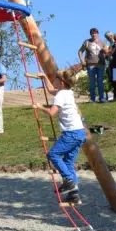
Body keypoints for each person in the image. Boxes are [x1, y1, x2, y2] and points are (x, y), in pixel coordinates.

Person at [27, 68, 86, 204]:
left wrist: (39, 107)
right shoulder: (67, 92)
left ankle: (69, 181)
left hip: (71, 133)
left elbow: (51, 112)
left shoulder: (60, 95)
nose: (54, 81)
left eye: (56, 79)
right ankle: (74, 193)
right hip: (80, 133)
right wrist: (44, 78)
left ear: (61, 83)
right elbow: (51, 90)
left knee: (52, 154)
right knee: (68, 162)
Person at [78, 29, 108, 104]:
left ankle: (102, 98)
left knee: (100, 81)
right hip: (90, 64)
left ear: (97, 34)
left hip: (101, 64)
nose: (94, 34)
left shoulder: (102, 42)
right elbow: (80, 51)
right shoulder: (87, 42)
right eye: (92, 33)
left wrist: (106, 51)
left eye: (95, 33)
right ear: (90, 34)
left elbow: (107, 53)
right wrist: (82, 60)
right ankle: (92, 99)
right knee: (92, 82)